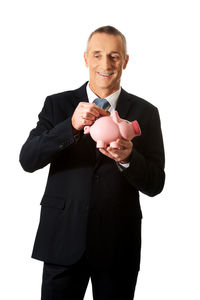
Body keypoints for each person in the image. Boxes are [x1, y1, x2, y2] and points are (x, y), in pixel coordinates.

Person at [19, 25, 165, 300]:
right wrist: (70, 126)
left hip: (118, 243)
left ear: (125, 61)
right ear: (86, 59)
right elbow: (28, 159)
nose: (105, 64)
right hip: (62, 238)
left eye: (114, 56)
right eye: (97, 55)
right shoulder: (57, 105)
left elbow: (156, 183)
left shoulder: (146, 112)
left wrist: (128, 159)